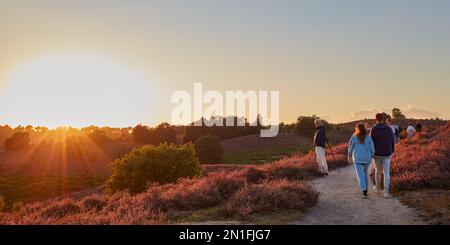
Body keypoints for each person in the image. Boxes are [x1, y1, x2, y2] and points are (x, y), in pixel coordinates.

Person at [348, 123, 375, 198]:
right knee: (365, 173)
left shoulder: (354, 136)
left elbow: (350, 148)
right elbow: (372, 148)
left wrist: (349, 156)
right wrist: (372, 154)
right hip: (366, 158)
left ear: (357, 129)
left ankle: (364, 190)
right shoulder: (368, 137)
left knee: (360, 174)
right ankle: (365, 189)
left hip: (357, 158)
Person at [371, 113, 395, 198]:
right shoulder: (388, 129)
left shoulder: (373, 129)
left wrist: (371, 152)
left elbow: (371, 142)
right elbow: (392, 140)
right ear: (383, 119)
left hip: (377, 154)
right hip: (387, 154)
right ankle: (386, 192)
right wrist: (392, 150)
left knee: (377, 171)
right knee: (386, 173)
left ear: (376, 119)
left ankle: (377, 188)